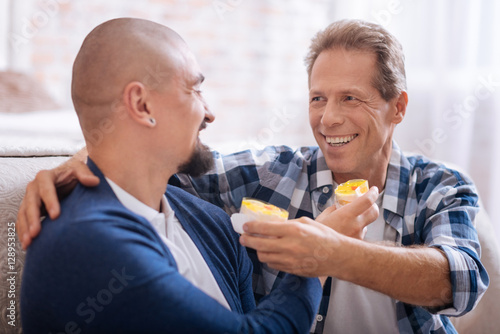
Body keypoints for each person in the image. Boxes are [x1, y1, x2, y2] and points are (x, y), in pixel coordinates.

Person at [16, 19, 488, 333]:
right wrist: (72, 165)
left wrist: (329, 251)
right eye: (318, 98)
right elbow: (144, 162)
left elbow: (459, 281)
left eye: (351, 98)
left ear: (398, 107)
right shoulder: (268, 175)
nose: (328, 119)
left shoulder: (440, 188)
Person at [19, 17, 349, 333]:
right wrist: (318, 257)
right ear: (142, 105)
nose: (210, 113)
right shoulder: (86, 242)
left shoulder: (211, 223)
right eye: (194, 90)